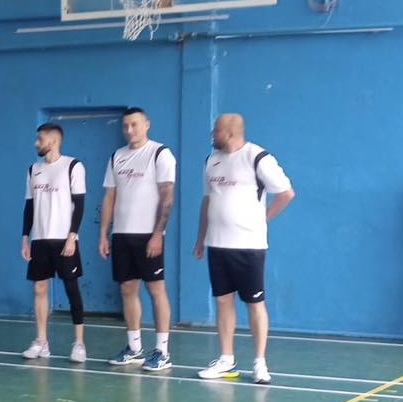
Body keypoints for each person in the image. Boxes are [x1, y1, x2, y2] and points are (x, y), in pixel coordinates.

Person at [194, 113, 295, 384]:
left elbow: (286, 193)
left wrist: (263, 218)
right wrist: (200, 239)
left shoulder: (257, 157)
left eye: (216, 130)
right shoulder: (211, 161)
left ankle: (260, 363)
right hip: (217, 245)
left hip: (249, 246)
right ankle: (226, 360)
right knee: (223, 301)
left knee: (254, 303)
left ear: (230, 132)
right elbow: (207, 201)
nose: (212, 134)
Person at [99, 107, 176, 371]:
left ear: (146, 125)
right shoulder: (116, 156)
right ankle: (134, 348)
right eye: (125, 126)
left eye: (134, 124)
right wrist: (104, 233)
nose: (129, 130)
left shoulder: (160, 153)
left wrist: (157, 234)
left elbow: (167, 197)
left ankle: (162, 352)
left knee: (156, 290)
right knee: (127, 289)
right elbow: (110, 196)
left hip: (148, 236)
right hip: (122, 235)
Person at [21, 123, 87, 363]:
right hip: (40, 240)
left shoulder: (73, 166)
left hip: (64, 239)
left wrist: (72, 236)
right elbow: (29, 206)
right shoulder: (33, 170)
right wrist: (25, 237)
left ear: (53, 141)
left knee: (71, 288)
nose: (36, 143)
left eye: (40, 139)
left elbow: (79, 205)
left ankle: (79, 343)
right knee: (39, 289)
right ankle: (41, 342)